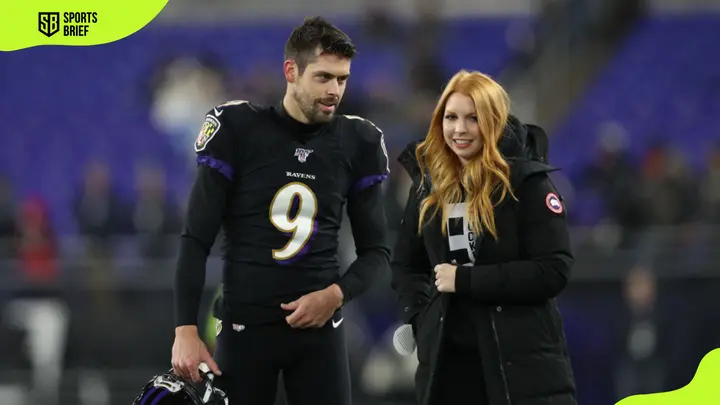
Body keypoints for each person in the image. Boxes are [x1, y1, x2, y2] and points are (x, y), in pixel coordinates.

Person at [171, 16, 391, 405]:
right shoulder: (238, 128)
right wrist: (185, 328)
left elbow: (376, 252)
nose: (334, 91)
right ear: (291, 71)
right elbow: (195, 238)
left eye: (342, 79)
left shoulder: (358, 141)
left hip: (320, 334)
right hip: (245, 329)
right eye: (323, 77)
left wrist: (336, 294)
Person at [391, 70, 577, 405]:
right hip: (449, 365)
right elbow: (406, 263)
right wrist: (421, 321)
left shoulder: (528, 184)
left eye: (472, 118)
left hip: (522, 366)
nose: (459, 129)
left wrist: (466, 280)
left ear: (492, 122)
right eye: (451, 118)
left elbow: (553, 270)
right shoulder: (427, 187)